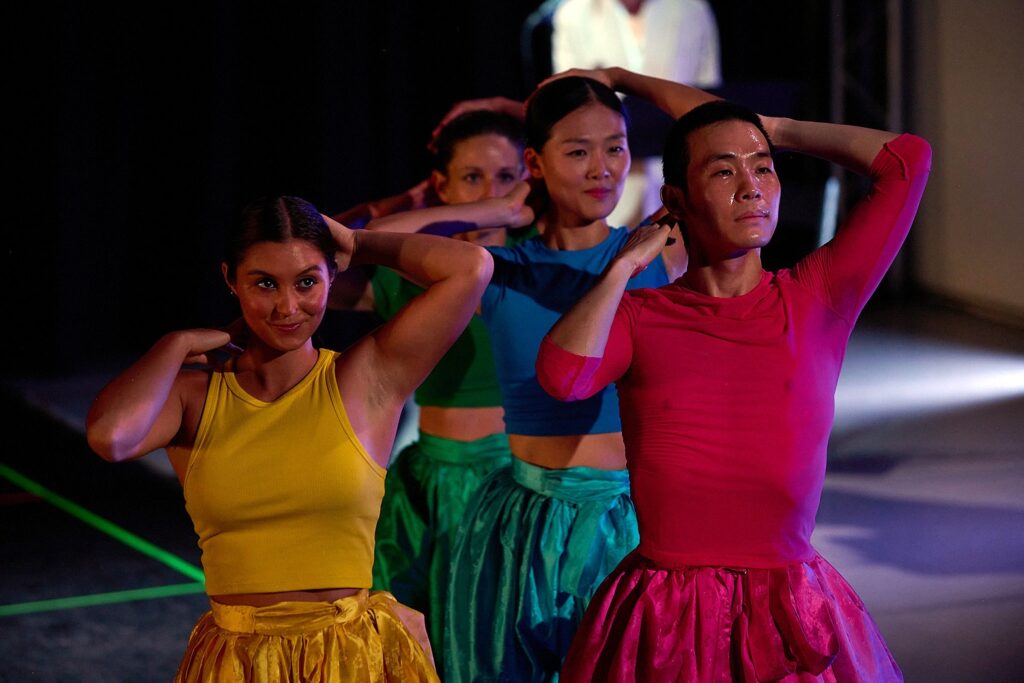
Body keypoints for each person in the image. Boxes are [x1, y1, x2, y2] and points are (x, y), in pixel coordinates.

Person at [535, 66, 930, 681]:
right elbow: (562, 378)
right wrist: (620, 268)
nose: (751, 187)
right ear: (676, 201)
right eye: (723, 171)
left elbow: (907, 159)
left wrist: (771, 129)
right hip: (664, 619)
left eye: (763, 167)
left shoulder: (816, 297)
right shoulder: (643, 315)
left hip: (787, 612)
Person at [85, 196, 494, 682]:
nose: (288, 307)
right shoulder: (193, 394)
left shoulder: (366, 377)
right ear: (230, 280)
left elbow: (471, 268)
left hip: (350, 661)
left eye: (306, 282)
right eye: (264, 283)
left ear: (331, 278)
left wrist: (359, 242)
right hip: (237, 665)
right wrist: (176, 344)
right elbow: (111, 438)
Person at [432, 74, 687, 682]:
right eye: (577, 151)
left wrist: (624, 80)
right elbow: (367, 245)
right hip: (524, 525)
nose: (603, 168)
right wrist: (499, 208)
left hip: (634, 522)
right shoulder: (498, 269)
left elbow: (731, 128)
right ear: (535, 162)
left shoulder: (657, 250)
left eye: (616, 146)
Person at [327, 110, 536, 679]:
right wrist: (404, 203)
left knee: (497, 652)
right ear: (440, 186)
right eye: (472, 179)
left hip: (515, 490)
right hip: (426, 489)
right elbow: (314, 252)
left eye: (504, 178)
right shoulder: (410, 274)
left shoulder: (541, 263)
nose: (490, 194)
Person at [550, 0, 722, 228]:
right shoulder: (573, 14)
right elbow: (569, 99)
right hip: (609, 174)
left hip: (680, 167)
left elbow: (709, 92)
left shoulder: (692, 9)